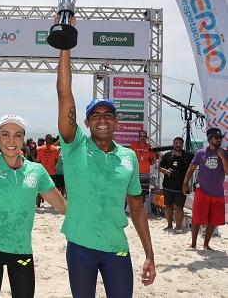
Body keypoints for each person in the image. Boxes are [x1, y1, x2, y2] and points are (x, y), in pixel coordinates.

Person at [56, 18, 155, 297]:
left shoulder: (129, 158)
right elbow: (64, 94)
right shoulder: (75, 146)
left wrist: (149, 253)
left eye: (108, 114)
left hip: (116, 248)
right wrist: (65, 45)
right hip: (80, 247)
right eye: (95, 115)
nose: (102, 119)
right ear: (86, 123)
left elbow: (136, 208)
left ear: (116, 122)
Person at [0, 81, 66, 298]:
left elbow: (62, 207)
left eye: (17, 135)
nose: (11, 140)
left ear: (23, 139)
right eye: (5, 134)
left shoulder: (36, 171)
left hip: (21, 251)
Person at [182, 127, 228, 250]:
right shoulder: (200, 152)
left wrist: (223, 157)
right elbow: (191, 169)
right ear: (209, 139)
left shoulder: (224, 152)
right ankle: (193, 243)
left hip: (218, 192)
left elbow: (227, 172)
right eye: (216, 138)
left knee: (214, 220)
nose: (219, 140)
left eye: (220, 138)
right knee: (197, 218)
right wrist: (185, 184)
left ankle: (206, 244)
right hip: (202, 190)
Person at [158, 137, 193, 232]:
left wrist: (188, 183)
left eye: (180, 143)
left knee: (179, 207)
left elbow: (194, 166)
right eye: (176, 143)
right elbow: (159, 167)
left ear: (183, 145)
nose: (178, 145)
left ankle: (178, 228)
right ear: (173, 144)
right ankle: (169, 225)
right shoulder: (167, 155)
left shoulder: (188, 155)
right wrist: (166, 171)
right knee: (168, 206)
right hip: (167, 186)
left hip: (182, 187)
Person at [130, 130, 157, 203]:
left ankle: (141, 208)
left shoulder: (150, 147)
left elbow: (152, 162)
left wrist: (155, 158)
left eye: (144, 136)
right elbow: (129, 159)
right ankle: (133, 208)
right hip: (134, 173)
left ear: (146, 137)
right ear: (138, 137)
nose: (142, 137)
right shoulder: (133, 145)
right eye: (141, 136)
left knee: (143, 193)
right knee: (133, 191)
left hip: (145, 173)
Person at [36, 134, 60, 207]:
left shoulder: (40, 149)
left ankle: (38, 205)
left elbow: (38, 160)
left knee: (39, 189)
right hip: (51, 171)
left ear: (45, 140)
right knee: (52, 189)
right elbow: (56, 160)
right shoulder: (55, 149)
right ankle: (53, 204)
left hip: (43, 171)